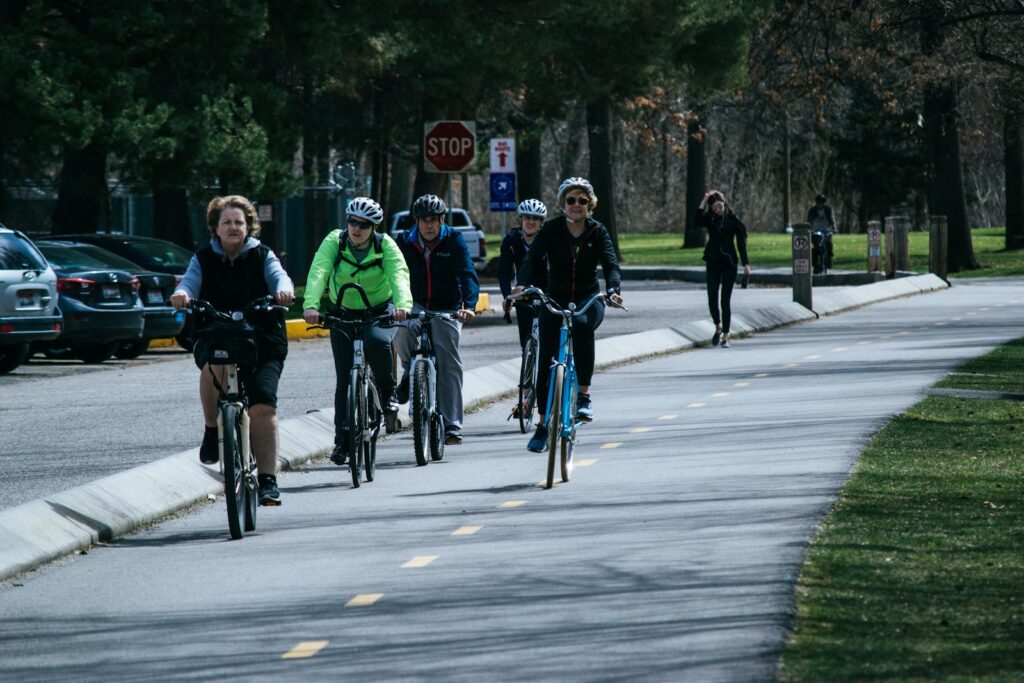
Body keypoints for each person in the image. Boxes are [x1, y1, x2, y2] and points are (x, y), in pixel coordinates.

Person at [171, 195, 294, 506]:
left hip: (262, 339)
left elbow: (280, 277)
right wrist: (182, 294)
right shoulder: (203, 258)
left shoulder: (262, 255)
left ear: (249, 226)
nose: (233, 227)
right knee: (214, 364)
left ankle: (268, 480)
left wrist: (284, 291)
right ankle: (212, 429)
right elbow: (189, 283)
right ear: (216, 227)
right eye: (226, 222)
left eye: (239, 222)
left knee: (262, 406)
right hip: (218, 334)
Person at [514, 177, 622, 453]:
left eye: (582, 200)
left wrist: (613, 289)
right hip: (555, 298)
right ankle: (541, 425)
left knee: (584, 327)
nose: (576, 205)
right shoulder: (551, 230)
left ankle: (583, 397)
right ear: (563, 204)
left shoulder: (597, 232)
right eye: (571, 200)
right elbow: (532, 259)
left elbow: (610, 263)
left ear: (590, 205)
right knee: (546, 358)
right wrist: (522, 285)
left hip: (588, 299)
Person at [302, 197, 413, 465]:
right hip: (342, 312)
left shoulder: (385, 245)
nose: (357, 228)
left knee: (376, 341)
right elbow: (319, 270)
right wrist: (311, 305)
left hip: (378, 309)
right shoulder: (335, 242)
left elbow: (399, 274)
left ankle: (388, 393)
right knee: (344, 380)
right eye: (353, 222)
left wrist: (402, 305)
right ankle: (341, 441)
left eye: (364, 224)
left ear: (374, 227)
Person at [393, 194, 479, 445]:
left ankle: (452, 424)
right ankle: (410, 371)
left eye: (434, 219)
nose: (429, 225)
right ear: (416, 221)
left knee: (449, 362)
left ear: (442, 220)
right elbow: (395, 274)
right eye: (424, 220)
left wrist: (469, 306)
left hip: (447, 306)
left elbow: (467, 273)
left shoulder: (454, 239)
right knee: (402, 329)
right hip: (414, 302)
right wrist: (397, 305)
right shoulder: (404, 241)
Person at [697, 189, 750, 349]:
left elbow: (741, 244)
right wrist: (704, 200)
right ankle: (718, 326)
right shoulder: (710, 219)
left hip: (729, 263)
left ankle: (726, 335)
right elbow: (696, 220)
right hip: (713, 261)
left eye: (719, 206)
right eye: (714, 208)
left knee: (725, 300)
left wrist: (746, 264)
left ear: (724, 204)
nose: (717, 210)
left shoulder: (733, 221)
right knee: (712, 297)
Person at [498, 198, 548, 349]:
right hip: (522, 292)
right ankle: (528, 365)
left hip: (547, 291)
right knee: (526, 343)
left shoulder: (548, 240)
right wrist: (507, 295)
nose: (531, 222)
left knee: (548, 340)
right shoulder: (511, 240)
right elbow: (504, 272)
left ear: (541, 222)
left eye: (535, 219)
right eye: (527, 217)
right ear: (521, 220)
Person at [807, 193, 836, 272]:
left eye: (821, 202)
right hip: (815, 231)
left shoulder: (828, 209)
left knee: (828, 244)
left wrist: (834, 228)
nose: (819, 204)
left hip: (826, 230)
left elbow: (832, 220)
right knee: (815, 247)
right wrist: (809, 229)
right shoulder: (812, 211)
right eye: (818, 202)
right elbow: (809, 221)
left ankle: (829, 258)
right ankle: (815, 263)